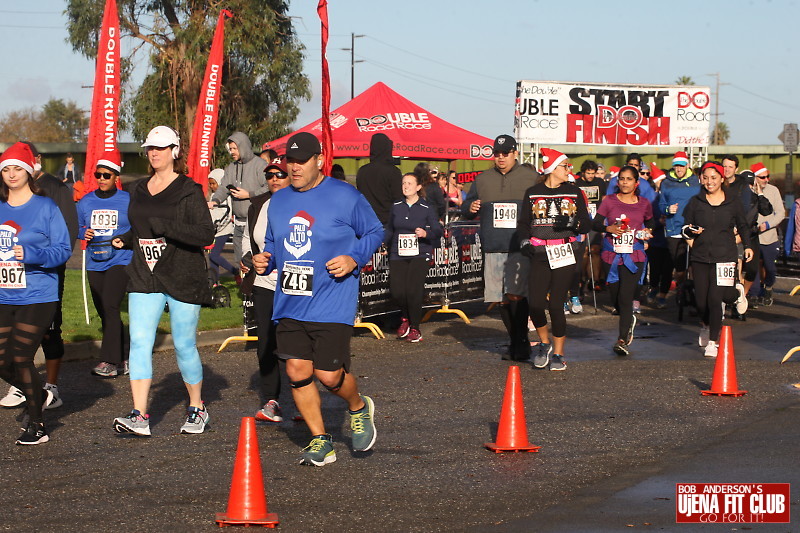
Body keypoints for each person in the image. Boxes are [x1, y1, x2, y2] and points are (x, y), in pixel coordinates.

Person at [253, 132, 383, 466]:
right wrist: (267, 258)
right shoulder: (279, 200)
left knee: (328, 375)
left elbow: (375, 231)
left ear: (319, 161)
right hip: (291, 299)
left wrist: (354, 258)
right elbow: (273, 242)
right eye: (290, 162)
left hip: (331, 298)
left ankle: (358, 406)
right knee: (297, 370)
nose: (294, 168)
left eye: (301, 161)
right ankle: (320, 440)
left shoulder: (345, 195)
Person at [111, 126, 215, 436]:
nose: (154, 153)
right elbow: (142, 227)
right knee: (140, 342)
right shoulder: (138, 188)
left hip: (183, 274)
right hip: (145, 274)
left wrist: (167, 227)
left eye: (160, 148)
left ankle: (197, 407)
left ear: (174, 151)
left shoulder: (189, 189)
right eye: (150, 148)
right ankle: (139, 415)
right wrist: (126, 238)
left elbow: (205, 234)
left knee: (183, 345)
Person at [0, 142, 71, 444]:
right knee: (2, 362)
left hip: (38, 294)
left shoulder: (46, 207)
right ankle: (39, 394)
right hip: (4, 295)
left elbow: (63, 249)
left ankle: (38, 426)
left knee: (21, 357)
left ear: (29, 171)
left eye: (17, 168)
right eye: (6, 169)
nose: (11, 174)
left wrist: (31, 254)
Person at [462, 135, 538, 361]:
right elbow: (466, 207)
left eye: (506, 153)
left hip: (519, 247)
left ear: (515, 153)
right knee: (501, 299)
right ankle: (516, 340)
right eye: (497, 153)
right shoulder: (482, 179)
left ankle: (521, 342)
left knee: (517, 296)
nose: (501, 157)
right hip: (493, 246)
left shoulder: (531, 177)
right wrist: (470, 207)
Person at [518, 148, 591, 370]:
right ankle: (544, 343)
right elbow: (524, 223)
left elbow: (586, 223)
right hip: (539, 252)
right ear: (552, 168)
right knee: (535, 304)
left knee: (557, 304)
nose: (569, 170)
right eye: (565, 166)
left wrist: (573, 223)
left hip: (564, 251)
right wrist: (524, 242)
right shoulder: (532, 192)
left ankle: (559, 354)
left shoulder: (574, 191)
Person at [682, 161, 753, 358]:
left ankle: (713, 341)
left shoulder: (733, 201)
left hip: (725, 257)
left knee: (715, 299)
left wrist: (748, 246)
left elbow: (743, 226)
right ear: (700, 179)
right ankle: (706, 324)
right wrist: (691, 233)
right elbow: (685, 227)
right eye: (705, 178)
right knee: (701, 302)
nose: (709, 182)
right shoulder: (696, 201)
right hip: (700, 257)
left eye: (714, 178)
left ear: (722, 179)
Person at [240, 159, 291, 422]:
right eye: (270, 175)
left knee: (295, 343)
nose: (274, 179)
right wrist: (248, 257)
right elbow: (248, 237)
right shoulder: (258, 205)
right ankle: (272, 400)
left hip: (294, 284)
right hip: (264, 283)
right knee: (266, 343)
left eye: (280, 174)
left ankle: (305, 398)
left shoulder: (302, 202)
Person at [77, 152, 133, 377]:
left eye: (106, 175)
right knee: (105, 310)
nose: (101, 179)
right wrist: (83, 232)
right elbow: (76, 226)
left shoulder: (127, 199)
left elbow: (139, 225)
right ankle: (125, 357)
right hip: (95, 260)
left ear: (116, 177)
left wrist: (125, 238)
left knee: (110, 304)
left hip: (121, 259)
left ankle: (109, 362)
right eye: (98, 175)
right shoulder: (86, 201)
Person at [593, 166, 654, 356]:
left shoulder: (644, 203)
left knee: (626, 296)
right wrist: (609, 229)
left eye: (629, 179)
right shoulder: (609, 201)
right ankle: (627, 317)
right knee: (616, 297)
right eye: (622, 179)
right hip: (611, 255)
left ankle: (622, 339)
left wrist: (647, 232)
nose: (625, 182)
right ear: (617, 181)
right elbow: (595, 223)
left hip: (634, 256)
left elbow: (651, 222)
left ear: (636, 183)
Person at [384, 172, 443, 343]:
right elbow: (389, 229)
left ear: (418, 187)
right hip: (398, 253)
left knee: (413, 290)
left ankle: (415, 327)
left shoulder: (426, 207)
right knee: (397, 291)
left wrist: (426, 233)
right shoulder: (396, 206)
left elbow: (437, 230)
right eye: (403, 183)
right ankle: (405, 318)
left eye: (409, 183)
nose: (405, 186)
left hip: (420, 253)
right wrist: (383, 244)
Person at [721, 155, 772, 320]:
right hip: (731, 235)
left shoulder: (750, 192)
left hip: (750, 234)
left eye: (730, 167)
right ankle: (732, 300)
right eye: (725, 166)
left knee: (752, 270)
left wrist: (760, 193)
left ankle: (742, 295)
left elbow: (767, 210)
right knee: (733, 269)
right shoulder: (722, 186)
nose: (727, 169)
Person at [209, 132, 268, 265]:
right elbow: (223, 187)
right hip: (239, 223)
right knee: (240, 261)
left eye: (235, 148)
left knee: (256, 259)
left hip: (255, 222)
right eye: (230, 149)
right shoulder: (231, 168)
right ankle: (240, 277)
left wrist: (249, 194)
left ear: (244, 147)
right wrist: (215, 201)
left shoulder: (260, 165)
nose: (232, 152)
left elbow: (269, 187)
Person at [657, 151, 700, 306]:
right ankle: (681, 289)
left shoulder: (696, 181)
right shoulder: (666, 183)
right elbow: (661, 205)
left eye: (682, 166)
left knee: (695, 264)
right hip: (674, 229)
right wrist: (668, 209)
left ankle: (695, 296)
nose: (679, 169)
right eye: (676, 166)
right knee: (679, 266)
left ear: (687, 165)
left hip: (692, 228)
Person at [573, 159, 607, 310]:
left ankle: (594, 280)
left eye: (593, 173)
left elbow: (604, 200)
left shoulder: (600, 182)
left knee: (595, 250)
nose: (591, 176)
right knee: (584, 251)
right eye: (588, 173)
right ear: (583, 172)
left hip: (596, 220)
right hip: (583, 220)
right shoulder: (577, 183)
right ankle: (581, 279)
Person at [749, 163, 784, 306]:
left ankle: (768, 286)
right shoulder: (748, 190)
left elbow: (781, 213)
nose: (766, 180)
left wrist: (768, 225)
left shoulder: (773, 190)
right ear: (755, 178)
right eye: (762, 177)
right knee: (753, 268)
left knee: (770, 268)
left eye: (767, 176)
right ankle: (754, 294)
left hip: (769, 237)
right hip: (753, 237)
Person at [355, 133, 403, 226]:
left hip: (366, 220)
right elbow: (398, 198)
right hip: (387, 221)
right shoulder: (393, 171)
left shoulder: (362, 171)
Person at [206, 169, 238, 285]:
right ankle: (215, 281)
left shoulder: (226, 197)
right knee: (211, 257)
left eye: (213, 183)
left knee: (214, 255)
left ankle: (235, 271)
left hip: (224, 230)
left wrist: (217, 227)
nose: (211, 186)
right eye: (210, 184)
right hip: (214, 231)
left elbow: (227, 215)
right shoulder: (213, 196)